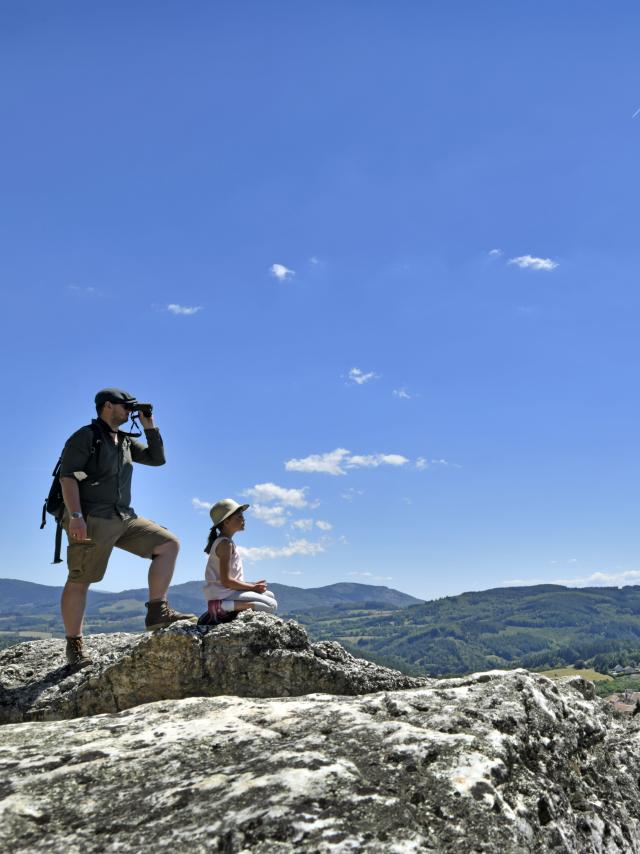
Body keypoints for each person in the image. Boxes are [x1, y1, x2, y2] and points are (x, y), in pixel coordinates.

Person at [59, 387, 196, 670]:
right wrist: (75, 516)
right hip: (93, 518)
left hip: (124, 517)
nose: (130, 411)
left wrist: (150, 427)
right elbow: (67, 477)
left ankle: (157, 612)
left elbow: (157, 459)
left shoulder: (123, 440)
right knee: (81, 579)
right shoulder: (85, 437)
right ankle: (74, 644)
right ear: (108, 406)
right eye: (127, 407)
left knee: (168, 544)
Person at [203, 498, 278, 621]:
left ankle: (229, 608)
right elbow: (226, 581)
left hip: (226, 591)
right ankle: (220, 606)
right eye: (239, 516)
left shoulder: (225, 542)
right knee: (271, 605)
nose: (243, 519)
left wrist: (252, 585)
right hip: (223, 593)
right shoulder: (225, 544)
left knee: (270, 595)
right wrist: (252, 588)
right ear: (226, 522)